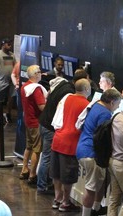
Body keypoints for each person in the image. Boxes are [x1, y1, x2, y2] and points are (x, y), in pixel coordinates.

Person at [37, 69, 88, 194]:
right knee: (47, 158)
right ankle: (42, 186)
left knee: (46, 157)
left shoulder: (63, 85)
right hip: (50, 127)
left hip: (44, 122)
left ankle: (45, 185)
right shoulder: (69, 94)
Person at [76, 89, 121, 216]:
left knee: (98, 183)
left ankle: (96, 209)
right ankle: (86, 214)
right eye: (118, 104)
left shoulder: (95, 105)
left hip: (82, 148)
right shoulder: (105, 114)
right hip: (91, 154)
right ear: (112, 102)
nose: (117, 107)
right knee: (90, 188)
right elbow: (103, 136)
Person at [50, 78, 91, 212]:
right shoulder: (86, 104)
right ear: (86, 89)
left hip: (57, 140)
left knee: (56, 172)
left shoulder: (66, 98)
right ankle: (66, 202)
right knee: (67, 175)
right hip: (70, 143)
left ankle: (57, 198)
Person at [19, 65, 47, 185]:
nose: (41, 74)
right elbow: (41, 106)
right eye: (40, 72)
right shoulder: (36, 89)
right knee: (37, 149)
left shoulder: (24, 86)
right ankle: (32, 174)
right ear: (35, 74)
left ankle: (24, 169)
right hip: (36, 122)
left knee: (29, 146)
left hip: (28, 120)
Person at [0, 38, 16, 124]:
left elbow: (15, 65)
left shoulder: (12, 55)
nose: (10, 45)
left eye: (10, 44)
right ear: (3, 44)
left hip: (11, 81)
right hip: (0, 81)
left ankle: (8, 113)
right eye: (8, 44)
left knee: (11, 97)